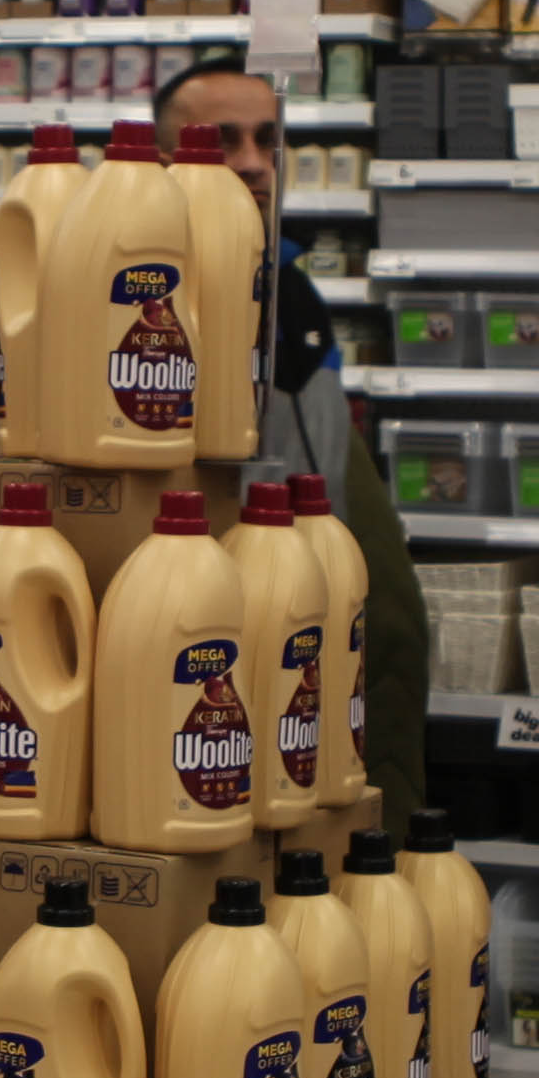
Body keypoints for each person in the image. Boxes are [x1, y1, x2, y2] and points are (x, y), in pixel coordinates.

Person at [154, 61, 432, 762]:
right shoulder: (142, 297)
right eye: (222, 140)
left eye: (267, 140)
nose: (252, 162)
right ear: (159, 161)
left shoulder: (295, 292)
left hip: (317, 638)